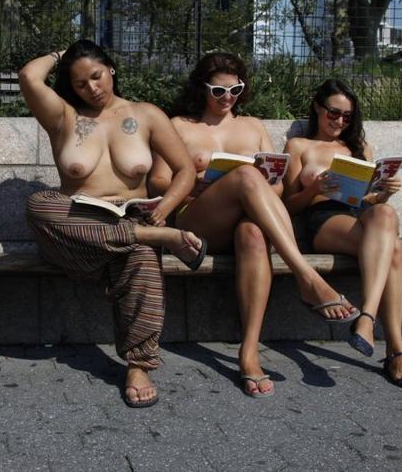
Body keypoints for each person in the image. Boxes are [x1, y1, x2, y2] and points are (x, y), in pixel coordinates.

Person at [150, 53, 359, 398]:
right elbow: (157, 180)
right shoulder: (179, 125)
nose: (227, 98)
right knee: (246, 174)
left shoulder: (253, 126)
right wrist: (194, 183)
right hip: (198, 221)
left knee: (253, 232)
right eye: (219, 91)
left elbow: (277, 187)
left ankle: (249, 352)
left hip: (246, 222)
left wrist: (262, 183)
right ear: (202, 88)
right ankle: (306, 277)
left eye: (235, 90)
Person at [20, 40, 206, 409]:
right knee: (38, 204)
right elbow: (28, 76)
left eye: (96, 76)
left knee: (141, 256)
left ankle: (139, 366)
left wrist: (166, 207)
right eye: (80, 83)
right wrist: (62, 54)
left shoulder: (146, 114)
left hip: (133, 217)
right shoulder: (63, 116)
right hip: (79, 228)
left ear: (111, 69)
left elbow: (185, 169)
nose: (91, 88)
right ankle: (149, 236)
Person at [283, 79, 402, 390]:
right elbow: (288, 205)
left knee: (386, 214)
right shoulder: (299, 147)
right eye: (334, 113)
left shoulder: (360, 147)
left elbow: (369, 200)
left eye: (347, 117)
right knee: (394, 250)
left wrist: (385, 193)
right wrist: (314, 188)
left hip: (362, 216)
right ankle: (396, 352)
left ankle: (367, 318)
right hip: (324, 218)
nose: (340, 121)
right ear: (317, 107)